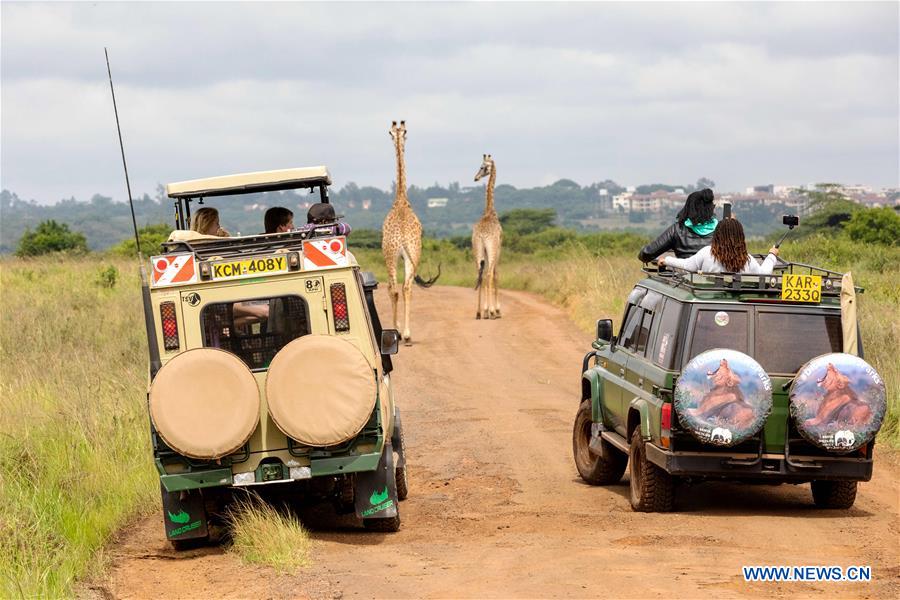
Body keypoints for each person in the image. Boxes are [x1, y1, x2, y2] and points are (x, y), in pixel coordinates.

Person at [660, 218, 779, 274]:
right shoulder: (747, 260)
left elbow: (687, 265)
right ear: (740, 237)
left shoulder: (706, 253)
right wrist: (772, 255)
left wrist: (666, 260)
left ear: (717, 235)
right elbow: (764, 274)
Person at [638, 188, 717, 262]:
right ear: (710, 208)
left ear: (688, 208)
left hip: (683, 275)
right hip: (714, 275)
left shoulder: (677, 229)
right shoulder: (721, 230)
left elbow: (647, 253)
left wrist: (642, 253)